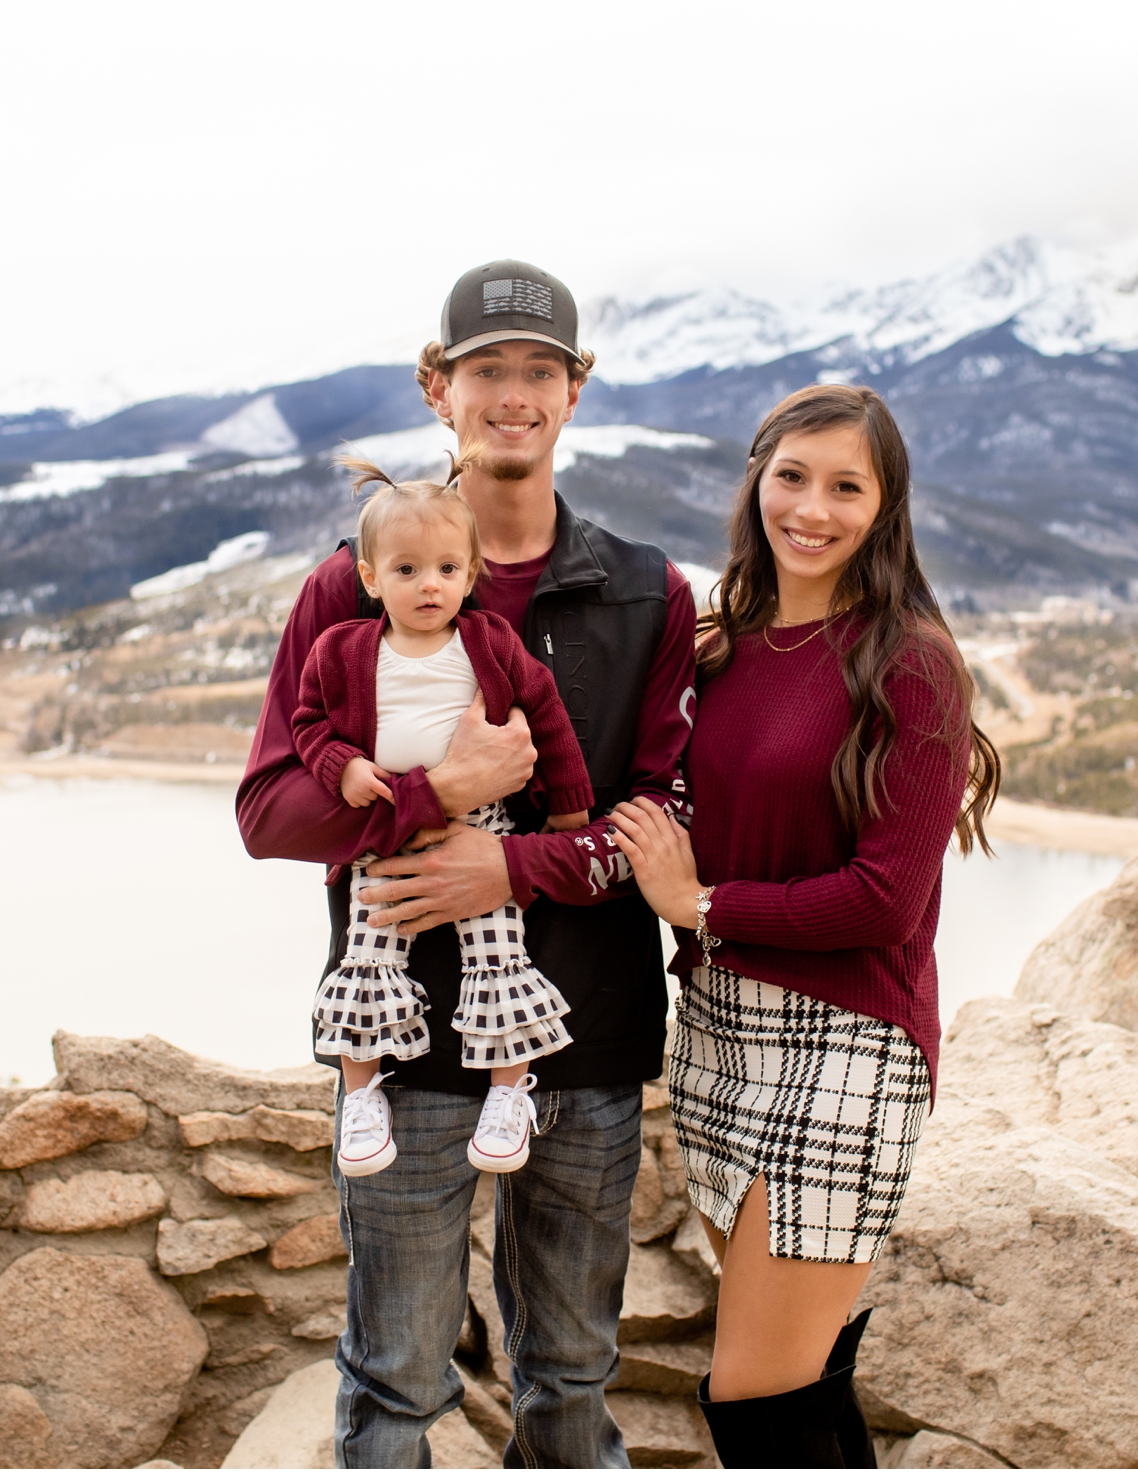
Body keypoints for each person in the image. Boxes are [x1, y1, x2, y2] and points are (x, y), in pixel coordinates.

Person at [237, 258, 698, 1468]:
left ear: (574, 393)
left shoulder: (649, 592)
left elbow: (658, 810)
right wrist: (439, 796)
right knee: (394, 1379)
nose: (512, 393)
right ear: (437, 388)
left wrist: (515, 868)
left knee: (571, 1374)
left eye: (537, 370)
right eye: (485, 369)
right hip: (399, 1053)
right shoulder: (349, 586)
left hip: (586, 1036)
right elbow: (271, 812)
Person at [609, 383, 999, 1469]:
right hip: (719, 1034)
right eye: (792, 476)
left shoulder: (910, 659)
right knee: (804, 1391)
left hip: (847, 1043)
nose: (812, 508)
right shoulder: (719, 643)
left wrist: (700, 906)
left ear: (885, 505)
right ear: (755, 480)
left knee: (756, 1403)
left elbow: (885, 895)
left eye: (845, 485)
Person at [295, 455, 594, 1175]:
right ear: (370, 577)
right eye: (406, 570)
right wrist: (347, 767)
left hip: (482, 828)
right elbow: (308, 724)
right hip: (387, 835)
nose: (429, 585)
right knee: (367, 950)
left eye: (446, 569)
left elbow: (547, 713)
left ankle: (508, 1089)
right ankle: (362, 1099)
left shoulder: (487, 641)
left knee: (498, 950)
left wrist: (570, 805)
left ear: (469, 572)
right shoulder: (343, 650)